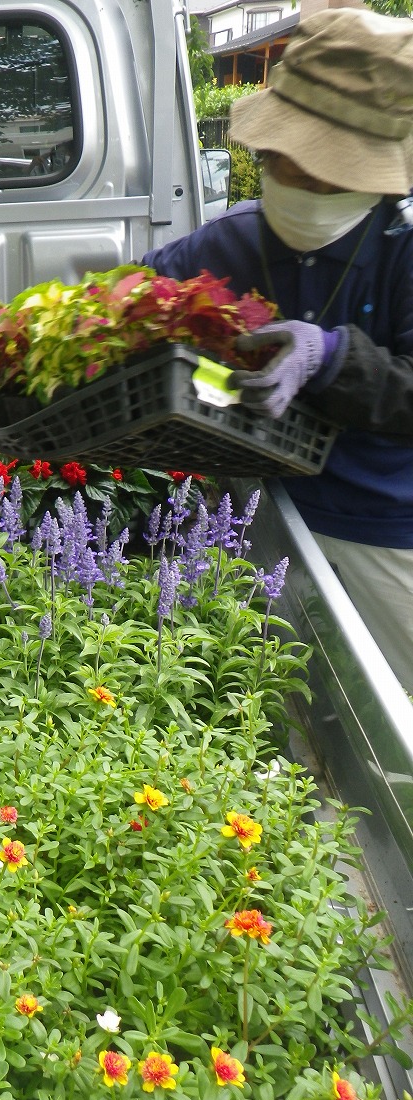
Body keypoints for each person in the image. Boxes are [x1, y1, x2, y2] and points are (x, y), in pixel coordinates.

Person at [143, 8, 413, 690]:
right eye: (277, 163)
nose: (294, 182)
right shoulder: (229, 243)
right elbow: (134, 303)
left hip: (391, 531)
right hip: (264, 522)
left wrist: (328, 355)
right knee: (290, 714)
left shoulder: (403, 249)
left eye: (319, 173)